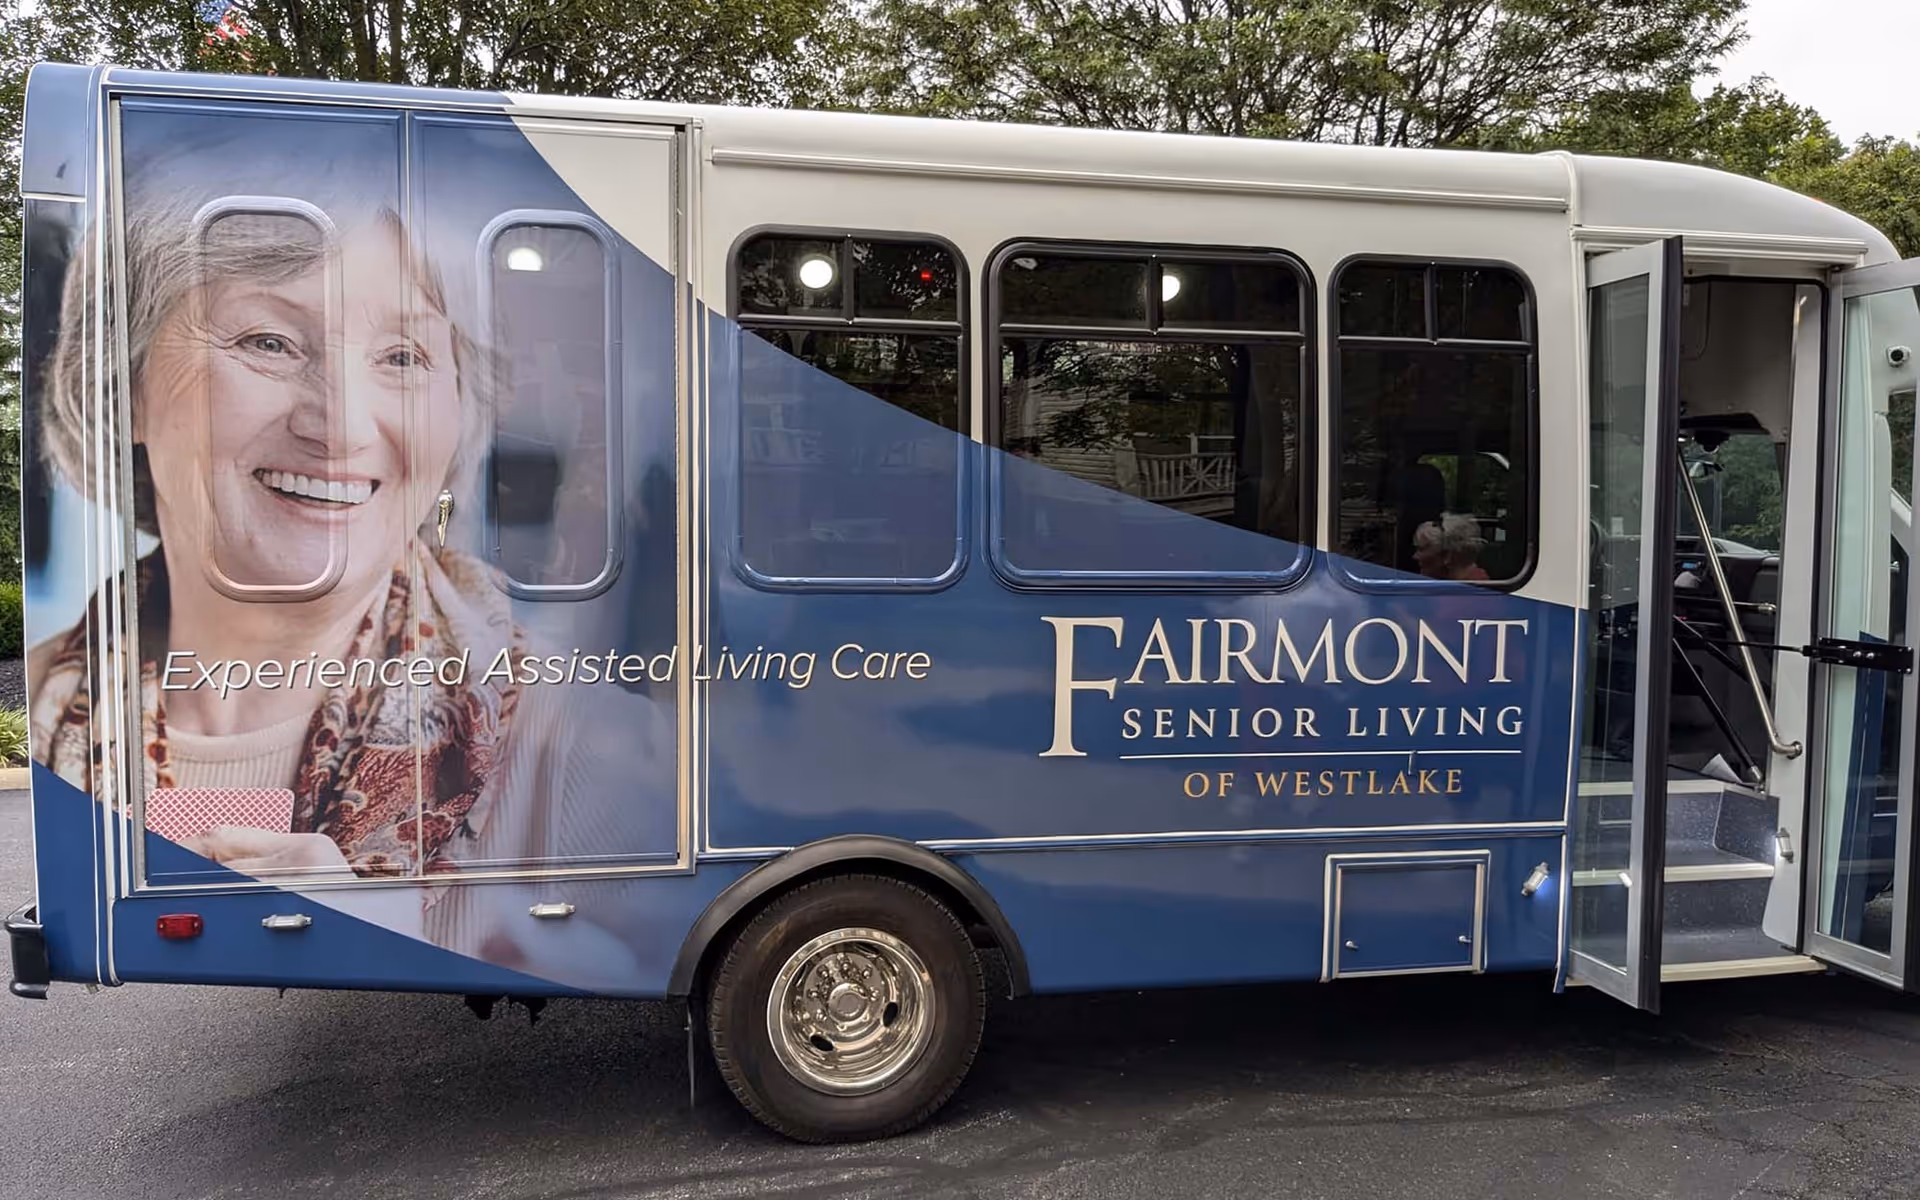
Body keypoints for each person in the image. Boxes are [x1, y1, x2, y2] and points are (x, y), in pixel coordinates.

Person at [25, 121, 669, 965]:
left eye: (403, 357)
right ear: (128, 383)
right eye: (268, 342)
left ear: (457, 414)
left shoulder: (585, 744)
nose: (342, 426)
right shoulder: (47, 698)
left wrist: (387, 925)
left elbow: (647, 965)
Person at [1412, 513, 1492, 581]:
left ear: (1447, 554)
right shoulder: (1434, 584)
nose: (1415, 556)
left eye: (1421, 549)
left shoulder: (1476, 590)